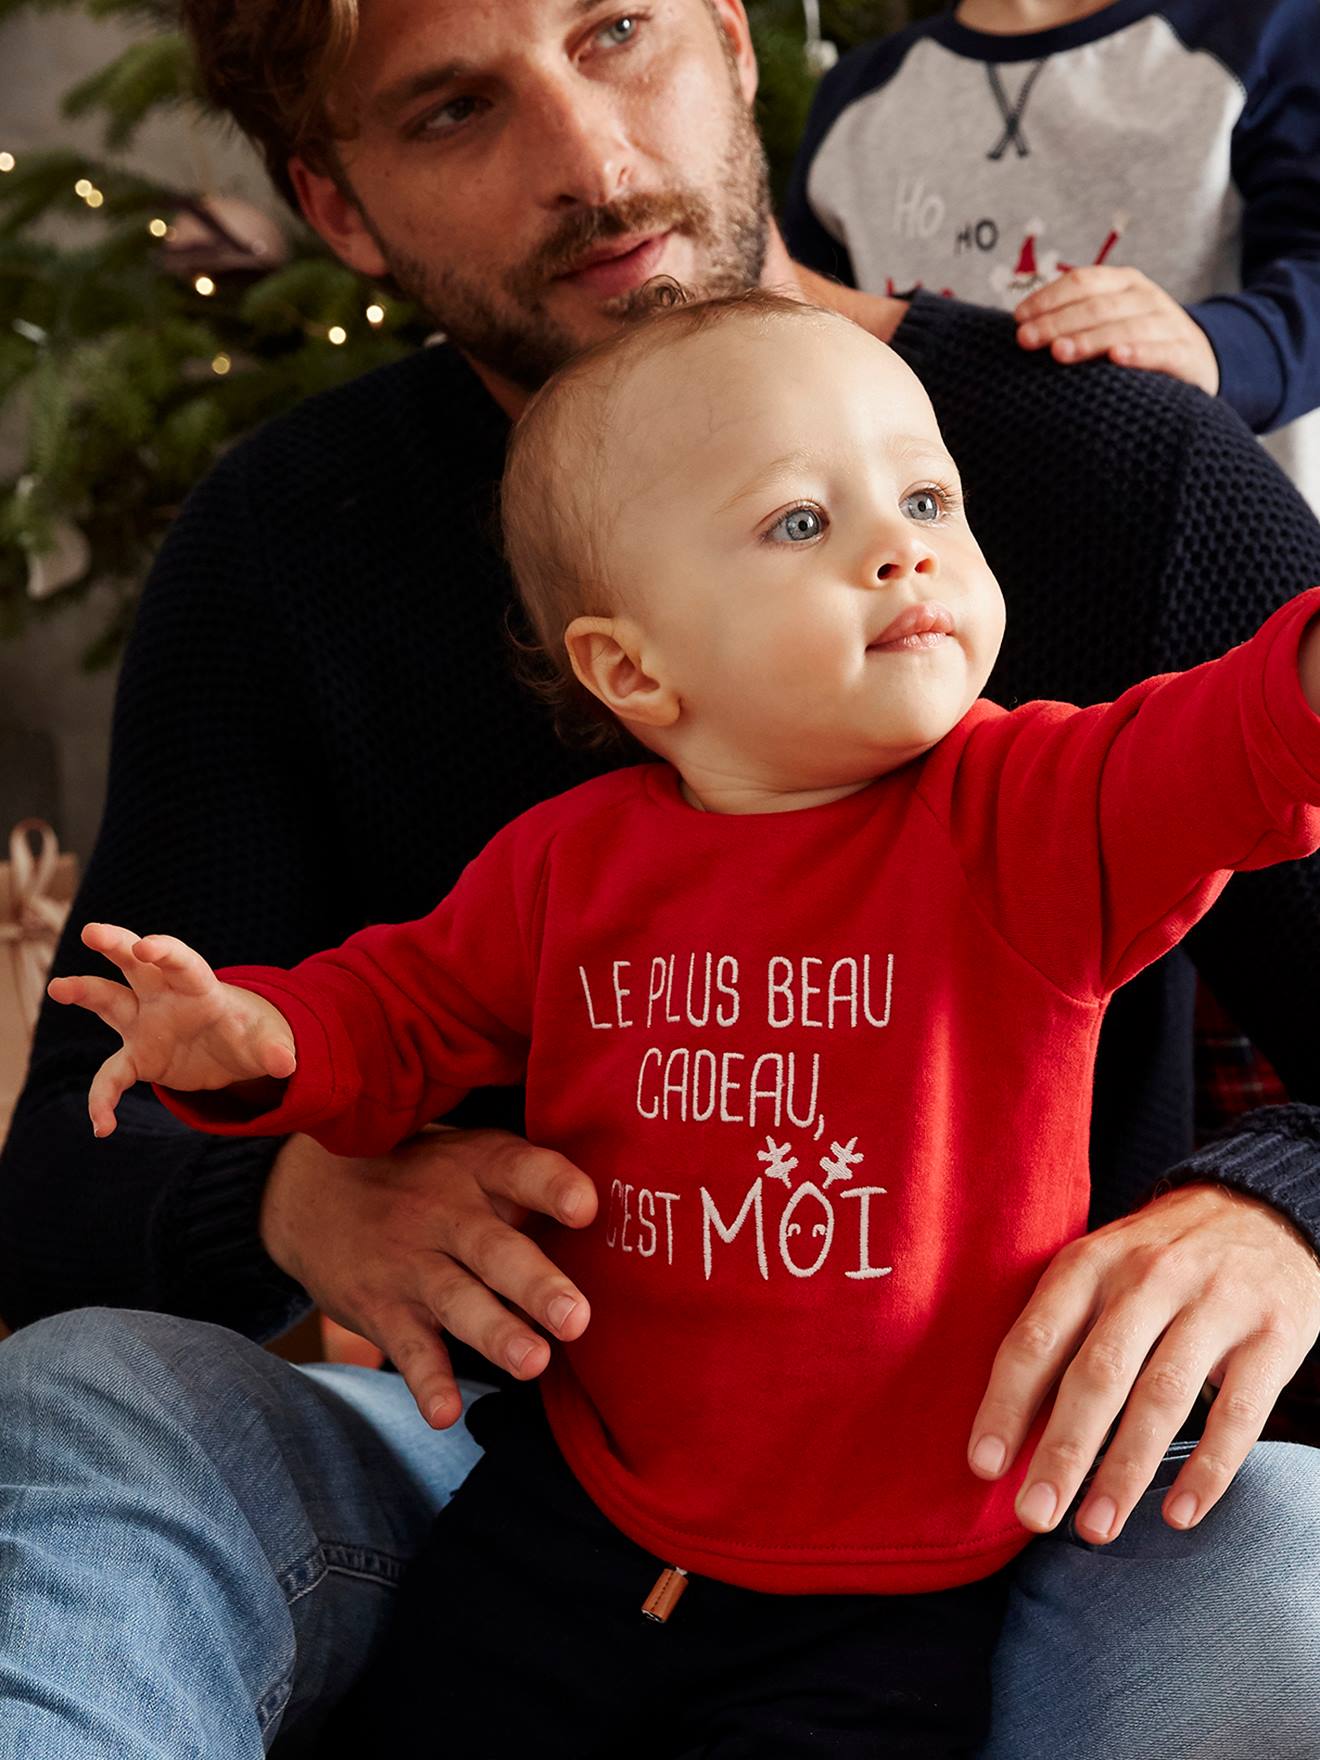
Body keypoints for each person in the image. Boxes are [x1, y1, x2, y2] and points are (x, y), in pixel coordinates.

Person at [1, 2, 1319, 1755]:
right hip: (530, 1473)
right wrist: (292, 1195)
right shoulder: (289, 558)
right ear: (339, 204)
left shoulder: (1120, 485)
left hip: (1016, 1488)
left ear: (727, 30)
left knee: (1291, 1569)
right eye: (459, 107)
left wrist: (1280, 1209)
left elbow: (1255, 744)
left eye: (618, 30)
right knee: (75, 1404)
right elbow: (94, 1141)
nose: (594, 164)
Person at [782, 0, 1320, 511]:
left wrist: (1215, 346)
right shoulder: (853, 98)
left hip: (1217, 557)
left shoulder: (1266, 32)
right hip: (949, 575)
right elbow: (802, 342)